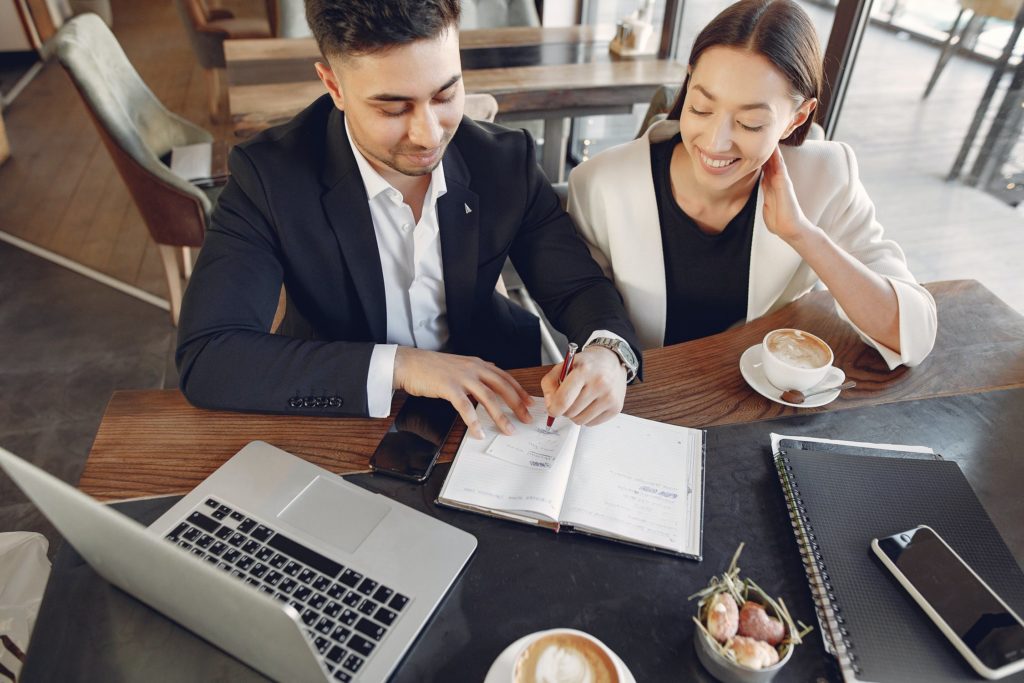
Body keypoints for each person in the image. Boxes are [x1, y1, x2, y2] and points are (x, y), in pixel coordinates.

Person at [176, 0, 642, 439]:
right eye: (393, 108)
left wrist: (609, 350)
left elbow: (578, 288)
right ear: (334, 86)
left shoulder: (504, 161)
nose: (429, 134)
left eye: (446, 94)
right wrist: (403, 366)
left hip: (495, 395)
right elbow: (209, 356)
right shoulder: (270, 177)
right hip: (344, 406)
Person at [568, 0, 936, 369]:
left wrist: (804, 236)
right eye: (701, 108)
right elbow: (582, 316)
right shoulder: (601, 184)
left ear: (796, 119)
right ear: (689, 81)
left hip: (760, 399)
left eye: (751, 123)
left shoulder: (826, 177)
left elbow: (912, 334)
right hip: (647, 398)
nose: (715, 142)